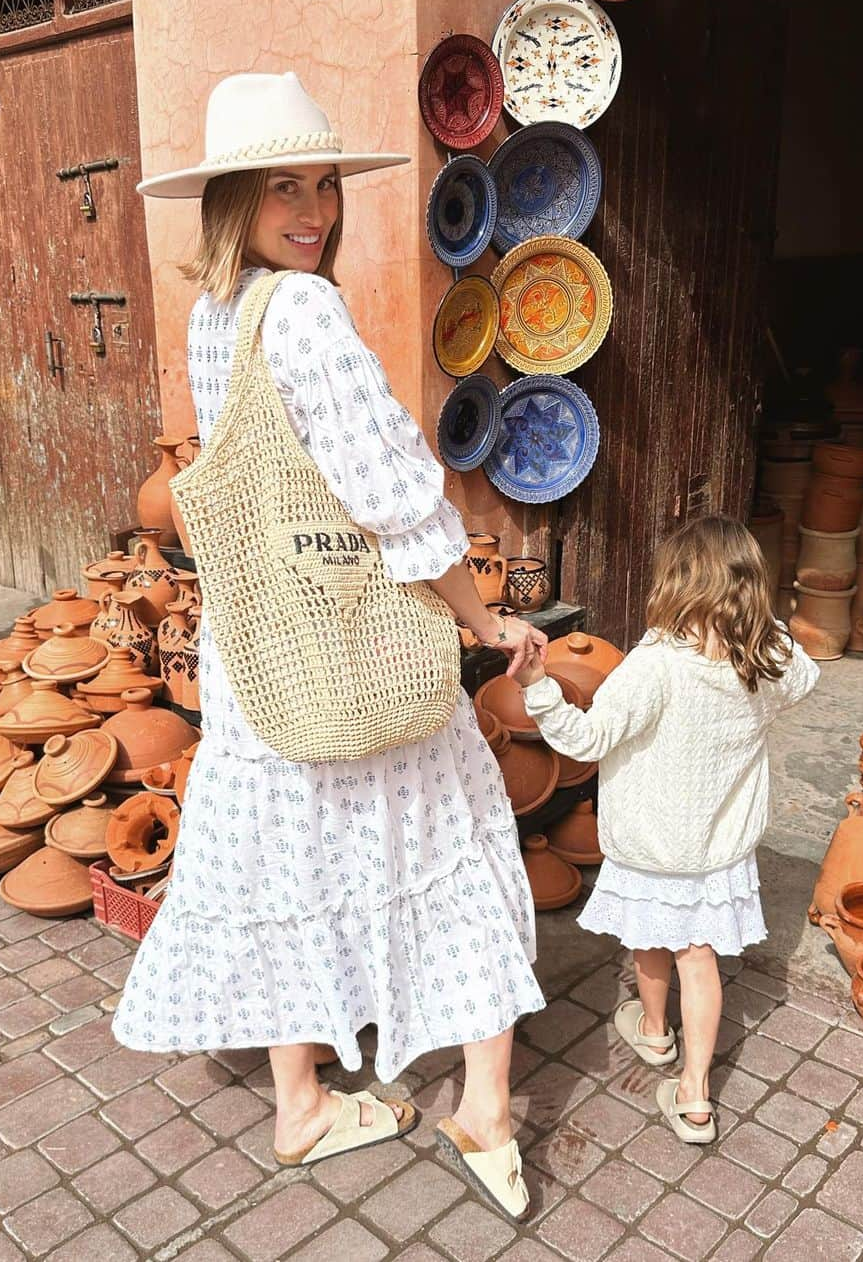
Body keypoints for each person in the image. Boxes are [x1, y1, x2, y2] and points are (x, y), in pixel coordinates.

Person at [113, 73, 546, 1219]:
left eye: (322, 184)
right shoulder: (302, 310)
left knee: (283, 862)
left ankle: (301, 1102)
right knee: (454, 836)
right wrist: (485, 618)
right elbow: (392, 497)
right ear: (233, 198)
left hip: (268, 656)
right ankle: (484, 1108)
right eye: (282, 187)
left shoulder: (218, 310)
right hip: (353, 648)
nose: (312, 208)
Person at [513, 515, 818, 1143]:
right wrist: (763, 629)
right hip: (718, 848)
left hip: (653, 841)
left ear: (673, 585)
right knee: (697, 955)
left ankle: (655, 1035)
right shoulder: (770, 655)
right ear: (750, 586)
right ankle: (695, 1096)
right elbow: (807, 678)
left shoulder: (655, 666)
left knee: (651, 935)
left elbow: (585, 738)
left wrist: (538, 686)